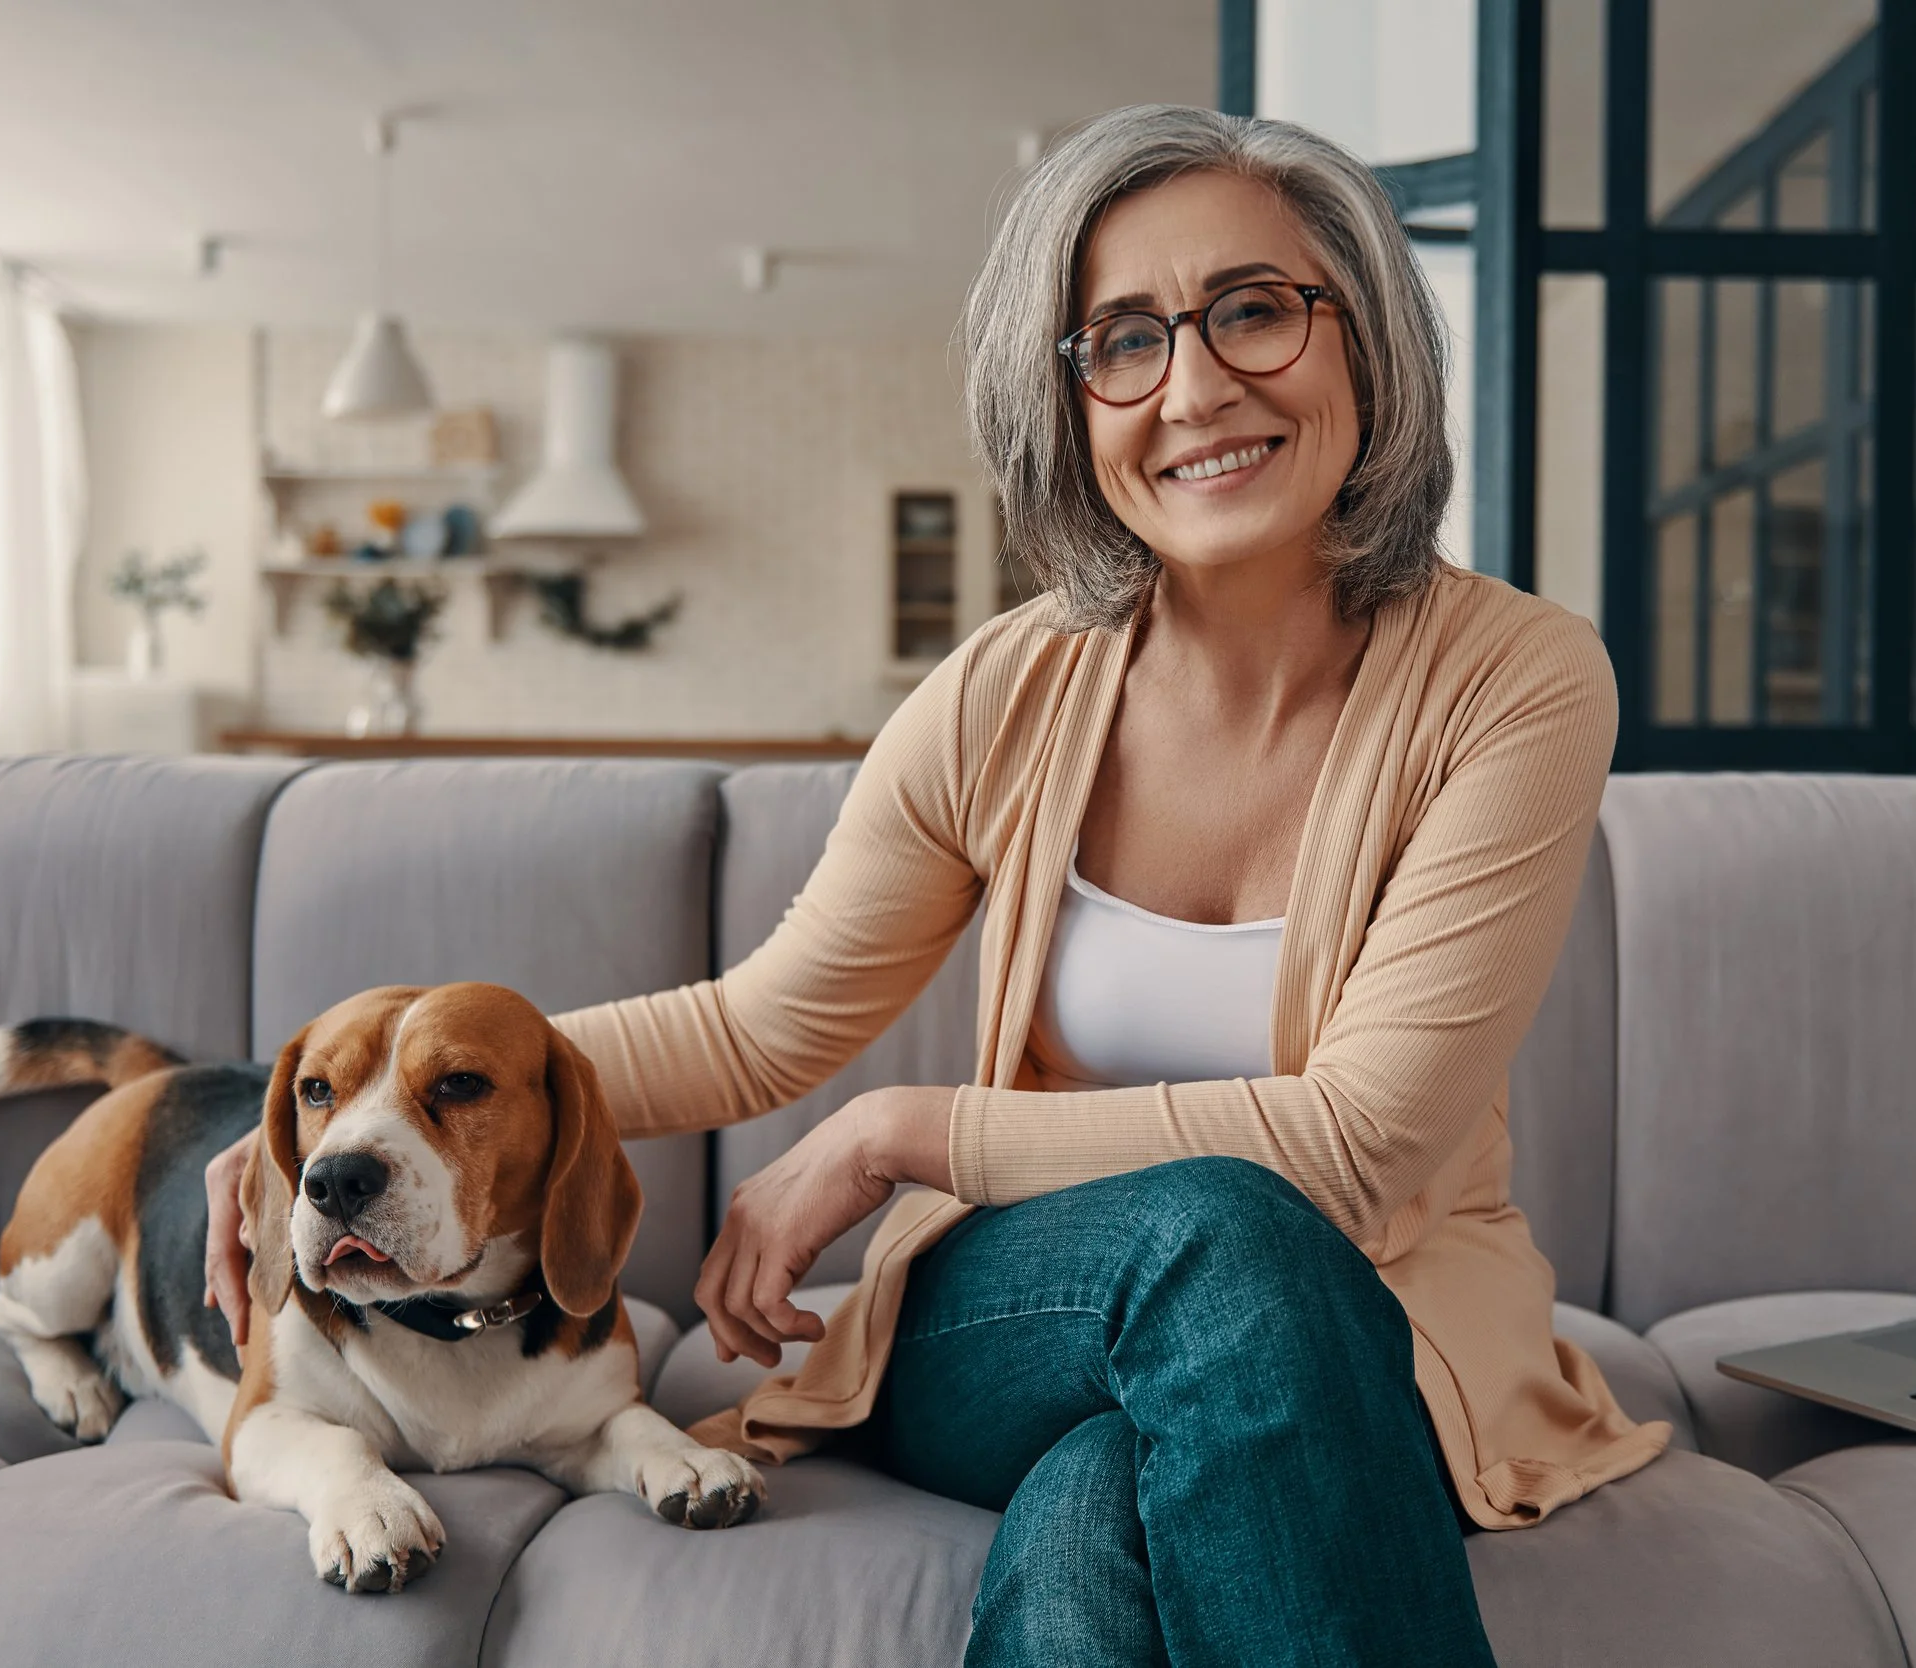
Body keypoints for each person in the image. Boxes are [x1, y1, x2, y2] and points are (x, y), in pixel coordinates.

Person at [207, 102, 1667, 1666]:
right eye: (1122, 341)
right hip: (1017, 1318)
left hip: (1386, 1326)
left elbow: (1369, 1151)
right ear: (1070, 404)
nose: (1194, 388)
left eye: (1253, 309)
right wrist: (354, 1130)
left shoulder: (1515, 682)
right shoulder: (1007, 693)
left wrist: (899, 1132)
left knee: (1108, 1490)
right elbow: (757, 1025)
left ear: (1366, 341)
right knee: (1217, 1239)